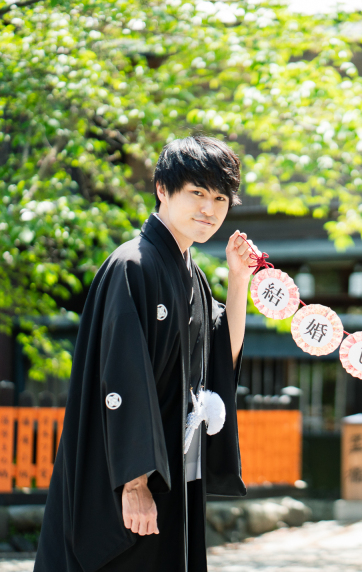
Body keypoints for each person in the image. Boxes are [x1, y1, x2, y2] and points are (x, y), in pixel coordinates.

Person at [35, 135, 258, 572]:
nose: (209, 209)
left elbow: (218, 360)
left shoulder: (192, 275)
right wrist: (135, 483)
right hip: (126, 477)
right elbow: (122, 380)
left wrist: (239, 281)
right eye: (197, 193)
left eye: (219, 198)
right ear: (162, 189)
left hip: (174, 472)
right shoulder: (132, 266)